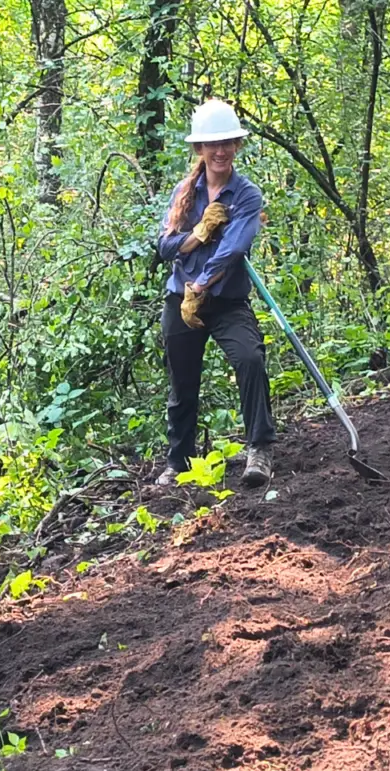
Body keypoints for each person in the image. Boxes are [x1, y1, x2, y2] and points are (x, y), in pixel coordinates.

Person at [154, 99, 276, 488]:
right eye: (212, 144)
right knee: (182, 381)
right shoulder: (184, 192)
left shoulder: (246, 195)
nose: (220, 150)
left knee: (250, 359)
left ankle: (259, 449)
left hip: (225, 300)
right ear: (199, 149)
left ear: (237, 146)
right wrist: (197, 234)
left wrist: (202, 283)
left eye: (227, 142)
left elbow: (234, 248)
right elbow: (164, 247)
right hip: (181, 300)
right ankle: (179, 462)